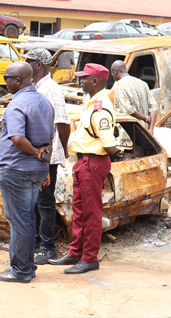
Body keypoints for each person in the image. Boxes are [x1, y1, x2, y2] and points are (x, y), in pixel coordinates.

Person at [49, 63, 118, 274]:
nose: (81, 81)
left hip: (93, 162)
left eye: (84, 78)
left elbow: (109, 145)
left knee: (91, 213)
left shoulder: (100, 108)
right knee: (78, 212)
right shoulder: (91, 101)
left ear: (95, 82)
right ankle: (75, 252)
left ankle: (89, 258)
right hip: (84, 162)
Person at [0, 61, 54, 283]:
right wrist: (44, 165)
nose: (5, 82)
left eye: (7, 78)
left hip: (16, 170)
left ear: (18, 80)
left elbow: (18, 139)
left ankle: (21, 271)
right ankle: (27, 266)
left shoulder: (16, 104)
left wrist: (36, 155)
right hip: (35, 171)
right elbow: (49, 141)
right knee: (27, 219)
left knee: (21, 221)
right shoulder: (44, 102)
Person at [23, 48, 71, 265]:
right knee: (33, 200)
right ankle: (34, 242)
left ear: (39, 65)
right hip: (34, 154)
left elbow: (62, 123)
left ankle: (48, 247)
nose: (25, 65)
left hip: (47, 156)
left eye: (29, 61)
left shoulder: (51, 89)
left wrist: (64, 149)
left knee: (44, 201)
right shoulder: (34, 87)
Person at [110, 60, 158, 133]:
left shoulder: (119, 85)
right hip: (145, 133)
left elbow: (129, 109)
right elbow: (154, 106)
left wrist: (145, 118)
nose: (113, 77)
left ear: (115, 72)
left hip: (128, 134)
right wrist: (151, 129)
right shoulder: (142, 83)